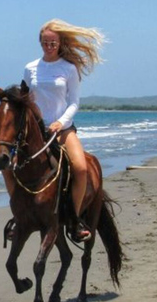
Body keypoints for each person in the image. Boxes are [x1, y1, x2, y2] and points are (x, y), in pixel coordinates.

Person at [22, 18, 106, 242]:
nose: (49, 46)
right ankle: (18, 217)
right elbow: (27, 99)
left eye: (53, 43)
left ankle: (75, 220)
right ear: (40, 42)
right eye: (45, 42)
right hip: (38, 132)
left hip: (63, 129)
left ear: (59, 43)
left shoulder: (69, 69)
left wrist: (60, 122)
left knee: (80, 169)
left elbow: (74, 102)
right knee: (11, 166)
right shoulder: (30, 68)